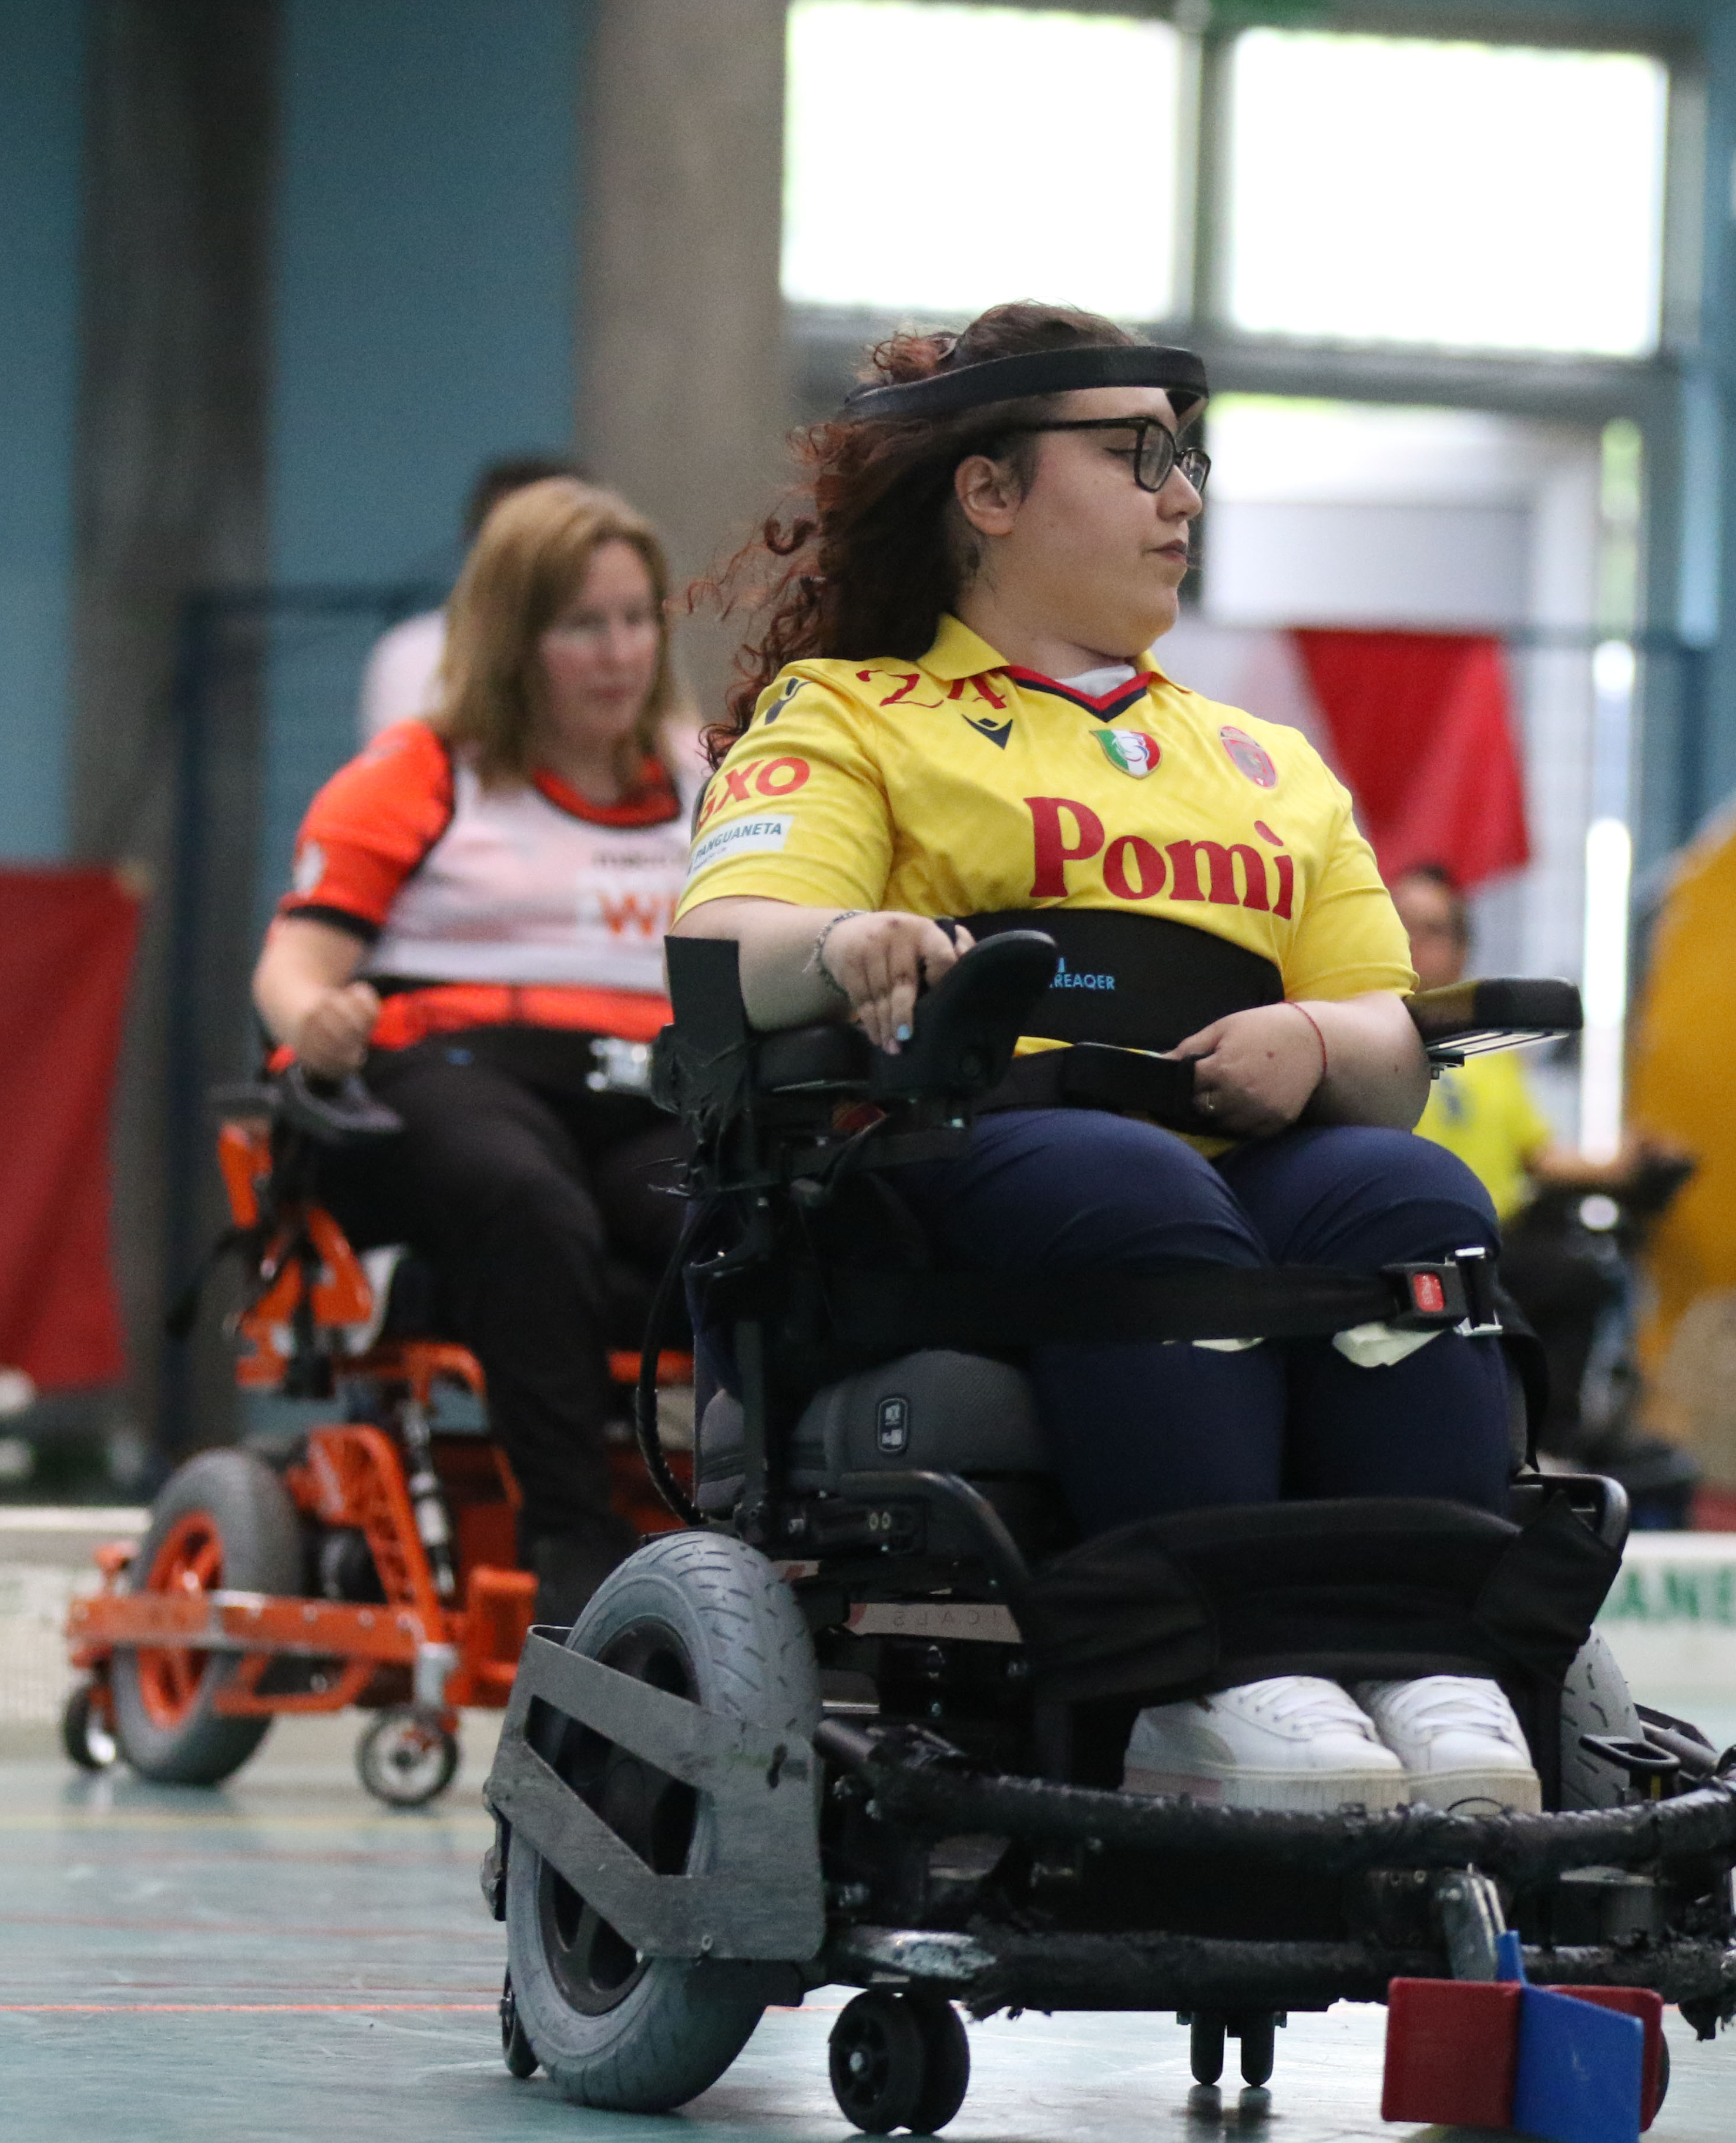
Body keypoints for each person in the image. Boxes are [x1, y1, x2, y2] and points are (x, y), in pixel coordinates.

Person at [676, 302, 1536, 1816]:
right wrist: (844, 943)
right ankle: (1198, 1677)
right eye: (1135, 455)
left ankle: (1418, 1659)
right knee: (1129, 1186)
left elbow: (1388, 1049)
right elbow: (729, 936)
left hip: (1228, 1172)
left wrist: (1312, 1036)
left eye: (1187, 456)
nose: (1181, 494)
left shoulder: (1267, 763)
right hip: (960, 1178)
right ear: (989, 494)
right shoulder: (855, 718)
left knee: (1407, 1197)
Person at [257, 476, 690, 1625]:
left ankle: (747, 1534)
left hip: (653, 1082)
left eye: (638, 619)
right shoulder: (421, 772)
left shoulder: (708, 783)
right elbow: (292, 967)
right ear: (515, 638)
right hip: (457, 1070)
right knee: (522, 1197)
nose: (619, 653)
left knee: (746, 1215)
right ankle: (571, 1542)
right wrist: (317, 1019)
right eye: (581, 626)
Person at [1389, 862, 1691, 1467]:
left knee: (1580, 1271)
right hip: (1402, 1237)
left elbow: (1542, 1157)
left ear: (1463, 948)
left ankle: (1547, 1445)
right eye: (1404, 927)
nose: (1419, 945)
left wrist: (1629, 1166)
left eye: (1436, 930)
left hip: (1494, 1240)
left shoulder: (1491, 1053)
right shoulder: (1360, 1037)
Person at [359, 453, 591, 738]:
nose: (537, 562)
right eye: (517, 542)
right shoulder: (415, 654)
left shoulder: (624, 651)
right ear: (476, 546)